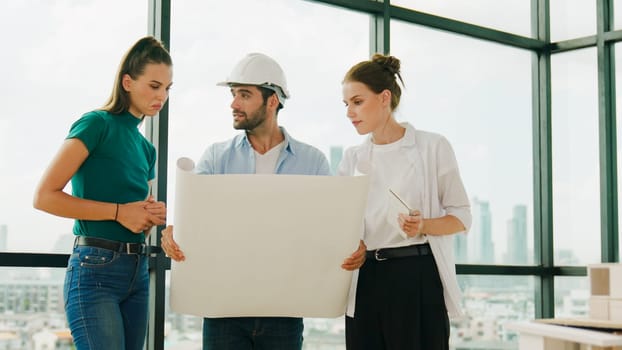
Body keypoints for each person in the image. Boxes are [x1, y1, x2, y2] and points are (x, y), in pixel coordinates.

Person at [160, 52, 366, 350]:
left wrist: (352, 245)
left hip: (284, 312)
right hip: (223, 311)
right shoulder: (216, 157)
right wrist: (173, 233)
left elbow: (328, 227)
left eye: (244, 95)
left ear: (272, 101)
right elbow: (194, 217)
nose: (233, 104)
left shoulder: (312, 162)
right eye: (233, 95)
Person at [33, 36, 172, 350]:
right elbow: (44, 196)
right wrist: (122, 212)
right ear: (127, 82)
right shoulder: (96, 124)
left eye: (167, 88)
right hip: (95, 272)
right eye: (153, 85)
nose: (161, 96)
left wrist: (150, 216)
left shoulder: (146, 149)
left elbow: (138, 215)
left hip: (137, 274)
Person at [339, 53, 472, 350]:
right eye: (346, 104)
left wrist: (423, 224)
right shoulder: (352, 158)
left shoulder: (432, 146)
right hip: (366, 279)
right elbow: (342, 222)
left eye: (357, 102)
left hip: (416, 277)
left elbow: (462, 216)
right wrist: (354, 244)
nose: (349, 112)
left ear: (384, 97)